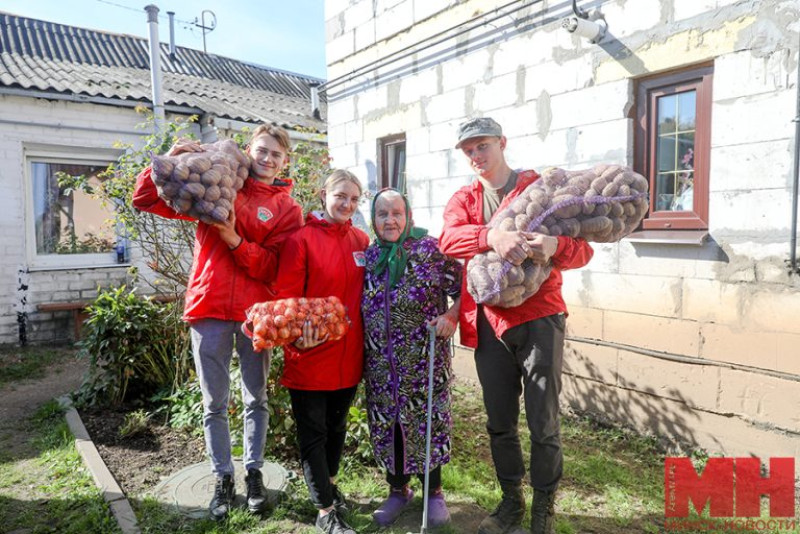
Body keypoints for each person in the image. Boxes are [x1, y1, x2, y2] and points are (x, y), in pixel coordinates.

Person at [132, 124, 303, 521]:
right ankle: (223, 478)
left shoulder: (287, 210)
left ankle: (254, 472)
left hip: (254, 314)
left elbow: (274, 266)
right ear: (249, 150)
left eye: (276, 154)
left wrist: (234, 239)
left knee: (255, 398)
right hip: (208, 305)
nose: (267, 159)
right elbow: (145, 199)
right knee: (214, 403)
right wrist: (173, 156)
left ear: (285, 161)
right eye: (261, 151)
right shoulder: (222, 176)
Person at [439, 118, 594, 534]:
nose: (476, 156)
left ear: (502, 143)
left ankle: (544, 506)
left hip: (540, 316)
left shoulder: (538, 188)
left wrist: (555, 246)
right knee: (499, 420)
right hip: (488, 323)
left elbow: (584, 250)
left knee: (543, 418)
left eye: (483, 146)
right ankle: (511, 501)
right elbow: (448, 240)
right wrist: (492, 237)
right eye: (469, 150)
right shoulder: (465, 198)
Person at [272, 169, 369, 534]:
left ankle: (329, 485)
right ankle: (325, 510)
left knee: (337, 426)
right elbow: (286, 299)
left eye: (354, 199)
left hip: (349, 355)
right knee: (313, 433)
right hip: (310, 355)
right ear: (323, 194)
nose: (347, 204)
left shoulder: (361, 240)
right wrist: (298, 339)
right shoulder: (302, 241)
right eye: (340, 196)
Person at [361, 189, 462, 528]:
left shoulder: (430, 250)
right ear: (373, 219)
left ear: (409, 216)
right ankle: (397, 490)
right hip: (379, 364)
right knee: (389, 425)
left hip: (423, 360)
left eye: (396, 213)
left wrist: (452, 316)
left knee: (427, 422)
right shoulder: (370, 254)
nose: (390, 220)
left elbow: (466, 288)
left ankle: (433, 493)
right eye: (382, 214)